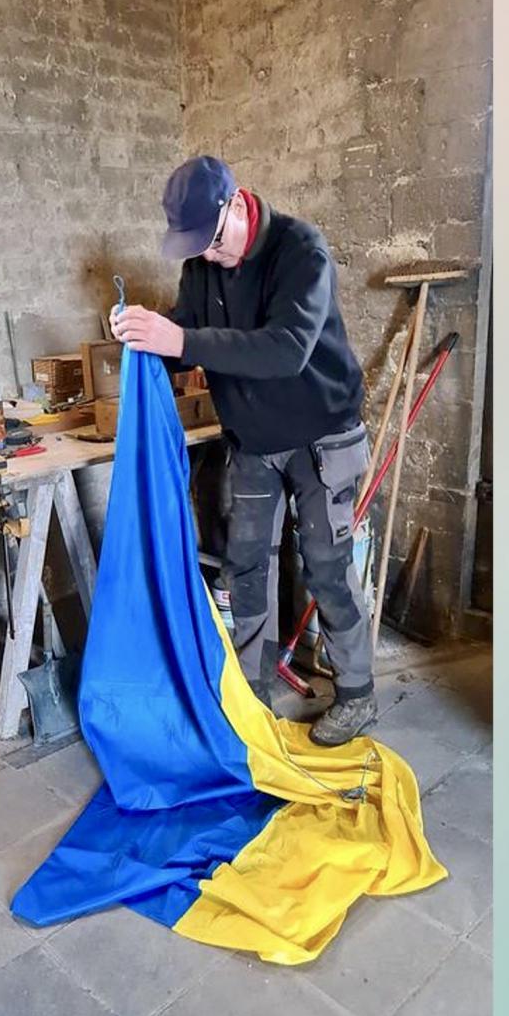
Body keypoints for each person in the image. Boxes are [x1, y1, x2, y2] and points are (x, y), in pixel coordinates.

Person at [110, 154, 377, 747]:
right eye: (195, 246)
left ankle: (356, 694)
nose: (207, 255)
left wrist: (181, 337)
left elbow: (286, 350)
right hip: (254, 442)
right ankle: (250, 693)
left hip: (320, 437)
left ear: (236, 204)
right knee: (244, 567)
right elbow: (185, 338)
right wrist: (142, 332)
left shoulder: (300, 249)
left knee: (326, 566)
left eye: (211, 240)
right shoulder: (202, 268)